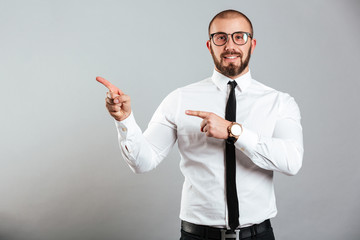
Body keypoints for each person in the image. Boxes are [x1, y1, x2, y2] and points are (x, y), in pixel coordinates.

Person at [96, 9, 303, 240]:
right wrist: (125, 120)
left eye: (239, 36)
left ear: (252, 44)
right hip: (197, 236)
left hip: (257, 235)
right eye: (221, 37)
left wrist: (233, 131)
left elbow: (291, 162)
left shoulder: (279, 102)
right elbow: (143, 162)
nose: (230, 45)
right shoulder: (179, 99)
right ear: (210, 45)